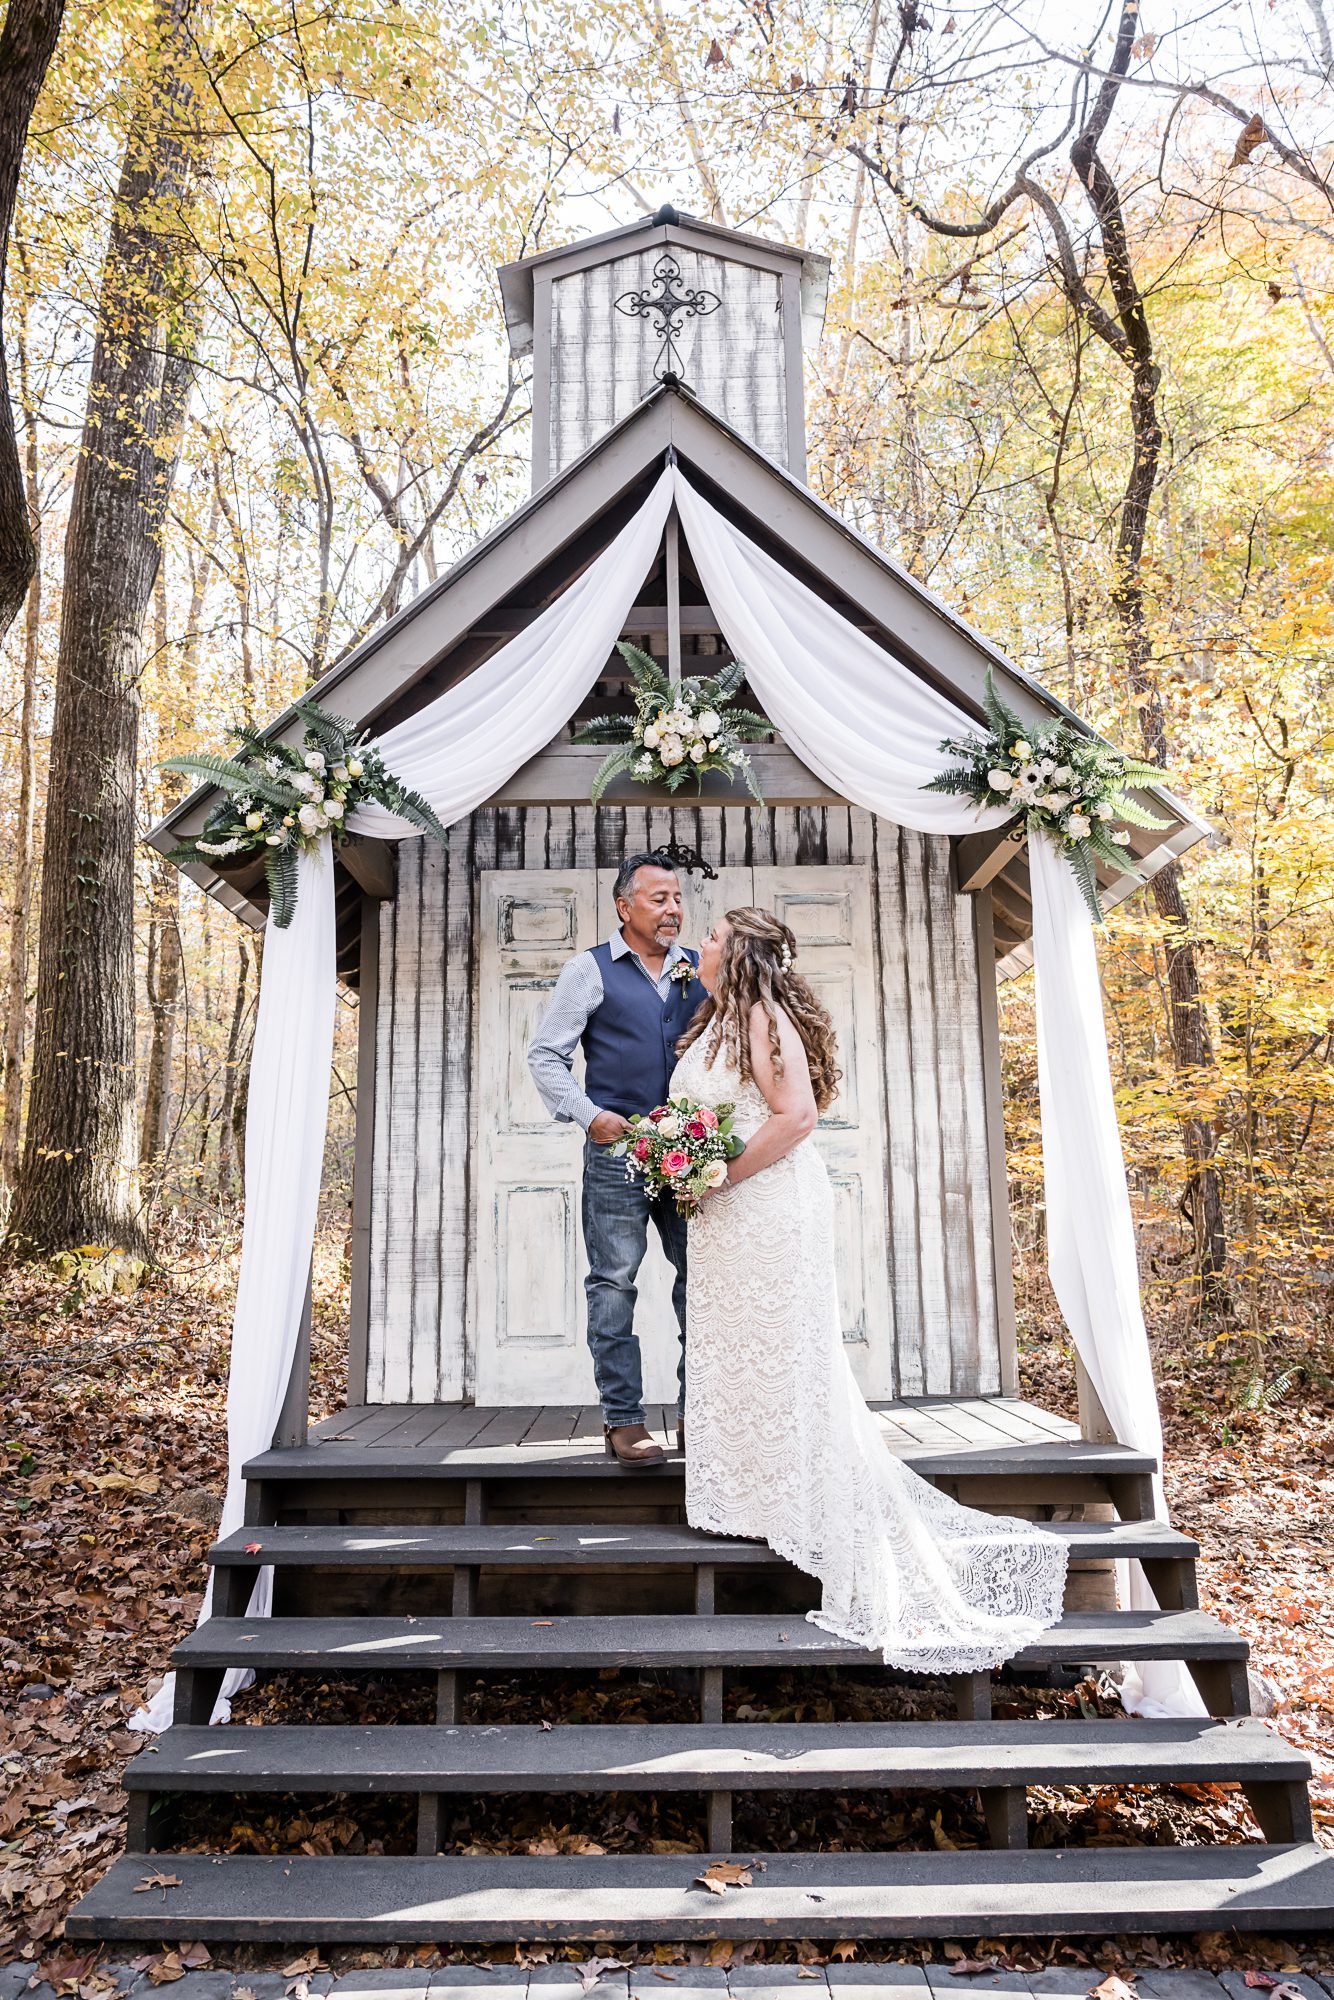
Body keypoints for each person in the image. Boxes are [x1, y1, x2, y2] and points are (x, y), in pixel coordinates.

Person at [670, 905, 1069, 1669]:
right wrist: (683, 1162)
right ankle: (748, 1493)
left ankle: (797, 1499)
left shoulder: (762, 1016)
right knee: (736, 1348)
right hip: (723, 1212)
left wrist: (718, 1174)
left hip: (768, 1204)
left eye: (714, 936)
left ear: (743, 953)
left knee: (783, 1348)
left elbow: (796, 1118)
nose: (702, 944)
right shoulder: (714, 1020)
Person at [528, 852, 708, 1468]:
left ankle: (699, 1415)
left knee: (703, 1282)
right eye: (659, 899)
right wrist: (588, 1115)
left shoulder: (700, 970)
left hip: (691, 1153)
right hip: (617, 1151)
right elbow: (545, 1055)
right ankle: (624, 1420)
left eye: (677, 898)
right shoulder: (590, 970)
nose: (673, 910)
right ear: (624, 906)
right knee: (614, 1283)